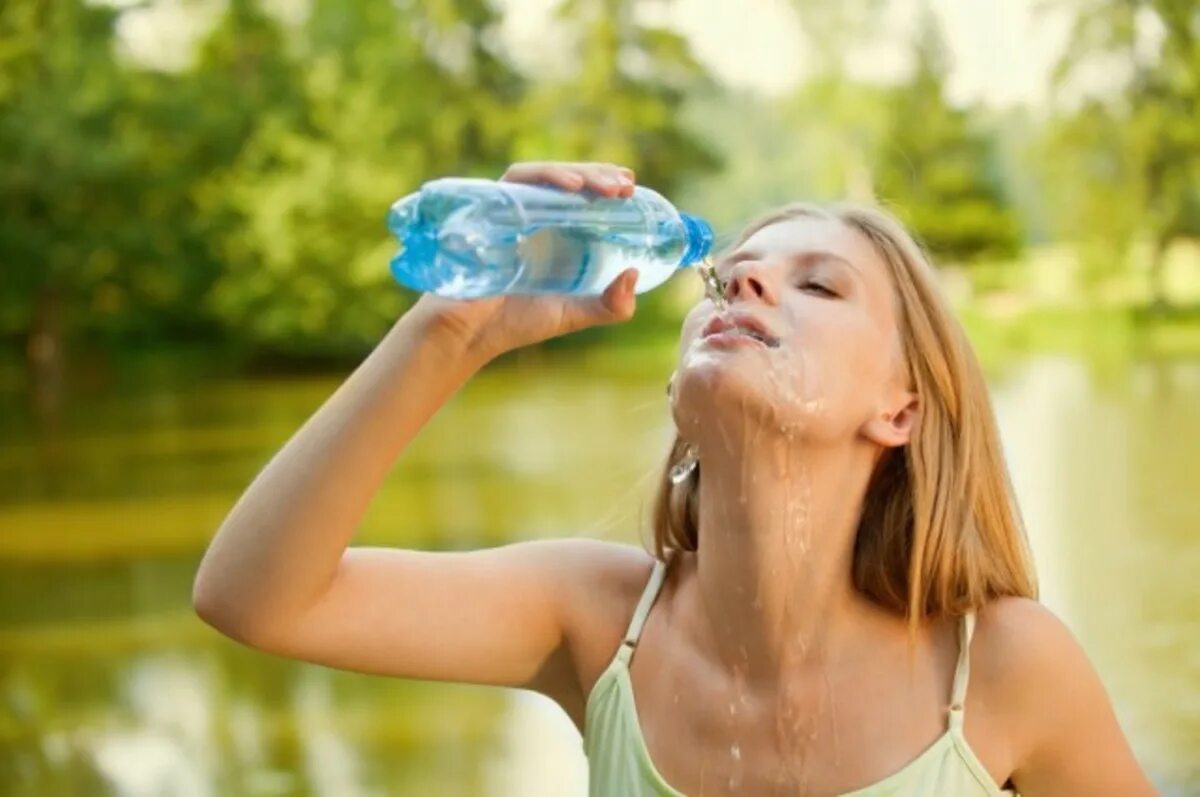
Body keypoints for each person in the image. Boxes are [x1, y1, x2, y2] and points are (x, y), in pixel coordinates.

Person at [193, 161, 1157, 796]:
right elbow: (256, 597)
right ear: (677, 385)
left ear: (900, 409)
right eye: (734, 273)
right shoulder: (599, 622)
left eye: (817, 285)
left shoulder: (1000, 669)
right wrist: (450, 331)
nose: (743, 282)